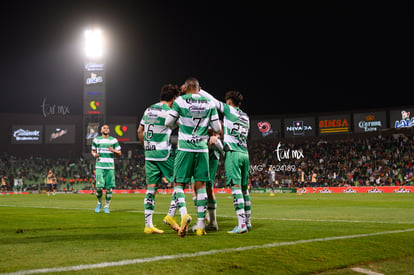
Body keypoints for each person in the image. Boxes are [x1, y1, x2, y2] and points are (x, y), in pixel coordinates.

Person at [165, 77, 221, 237]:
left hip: (185, 148)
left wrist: (180, 122)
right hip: (202, 149)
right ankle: (201, 226)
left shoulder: (180, 101)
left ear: (186, 87)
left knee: (179, 183)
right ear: (199, 88)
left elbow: (169, 122)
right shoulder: (209, 103)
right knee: (201, 186)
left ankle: (183, 215)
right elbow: (217, 127)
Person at [199, 89, 251, 234]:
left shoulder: (229, 110)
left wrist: (199, 90)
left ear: (229, 102)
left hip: (233, 153)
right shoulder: (246, 116)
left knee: (235, 188)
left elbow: (213, 101)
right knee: (245, 190)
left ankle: (241, 225)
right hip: (245, 153)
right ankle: (248, 221)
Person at [138, 84, 180, 234]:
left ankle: (148, 225)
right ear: (173, 99)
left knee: (151, 189)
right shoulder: (170, 112)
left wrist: (146, 146)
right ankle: (170, 215)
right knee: (179, 182)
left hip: (149, 154)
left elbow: (140, 131)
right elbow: (179, 126)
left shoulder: (148, 109)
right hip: (164, 153)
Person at [91, 124, 122, 214]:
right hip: (99, 166)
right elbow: (93, 151)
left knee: (109, 188)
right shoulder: (96, 140)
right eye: (104, 128)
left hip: (110, 166)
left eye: (107, 128)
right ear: (101, 130)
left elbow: (119, 153)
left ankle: (107, 206)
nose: (106, 129)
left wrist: (113, 150)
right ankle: (99, 203)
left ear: (109, 130)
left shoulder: (113, 140)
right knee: (99, 187)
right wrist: (94, 155)